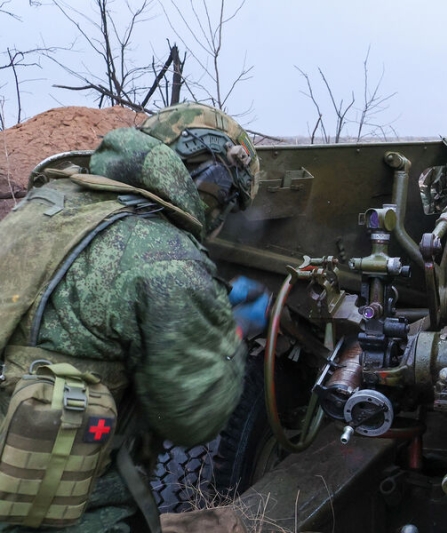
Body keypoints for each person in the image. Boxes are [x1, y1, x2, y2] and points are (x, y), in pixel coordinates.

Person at [0, 102, 267, 532]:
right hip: (57, 512)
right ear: (214, 184)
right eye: (229, 201)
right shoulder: (165, 256)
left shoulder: (47, 202)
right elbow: (193, 417)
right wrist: (233, 334)